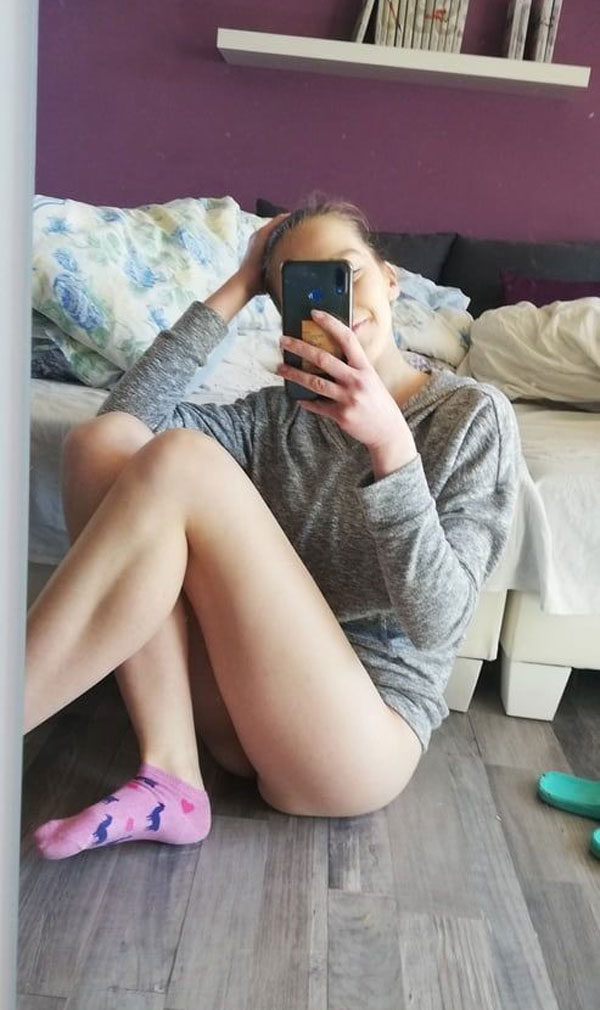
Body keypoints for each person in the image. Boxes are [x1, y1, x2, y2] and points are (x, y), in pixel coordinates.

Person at [24, 195, 521, 860]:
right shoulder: (271, 419)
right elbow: (124, 425)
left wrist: (391, 448)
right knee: (101, 443)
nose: (334, 307)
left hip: (359, 741)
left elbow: (440, 625)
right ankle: (170, 772)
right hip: (241, 712)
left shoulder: (470, 416)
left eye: (347, 275)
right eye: (307, 291)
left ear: (391, 280)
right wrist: (238, 287)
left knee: (184, 459)